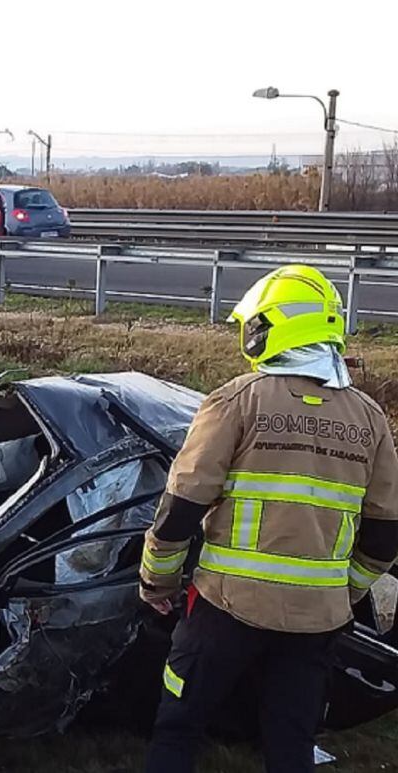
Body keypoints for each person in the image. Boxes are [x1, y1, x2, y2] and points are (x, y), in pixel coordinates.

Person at [139, 264, 398, 773]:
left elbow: (183, 506)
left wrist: (157, 580)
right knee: (289, 739)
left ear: (270, 328)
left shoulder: (237, 401)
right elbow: (387, 530)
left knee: (179, 725)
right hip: (316, 620)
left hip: (225, 608)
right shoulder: (369, 418)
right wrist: (345, 589)